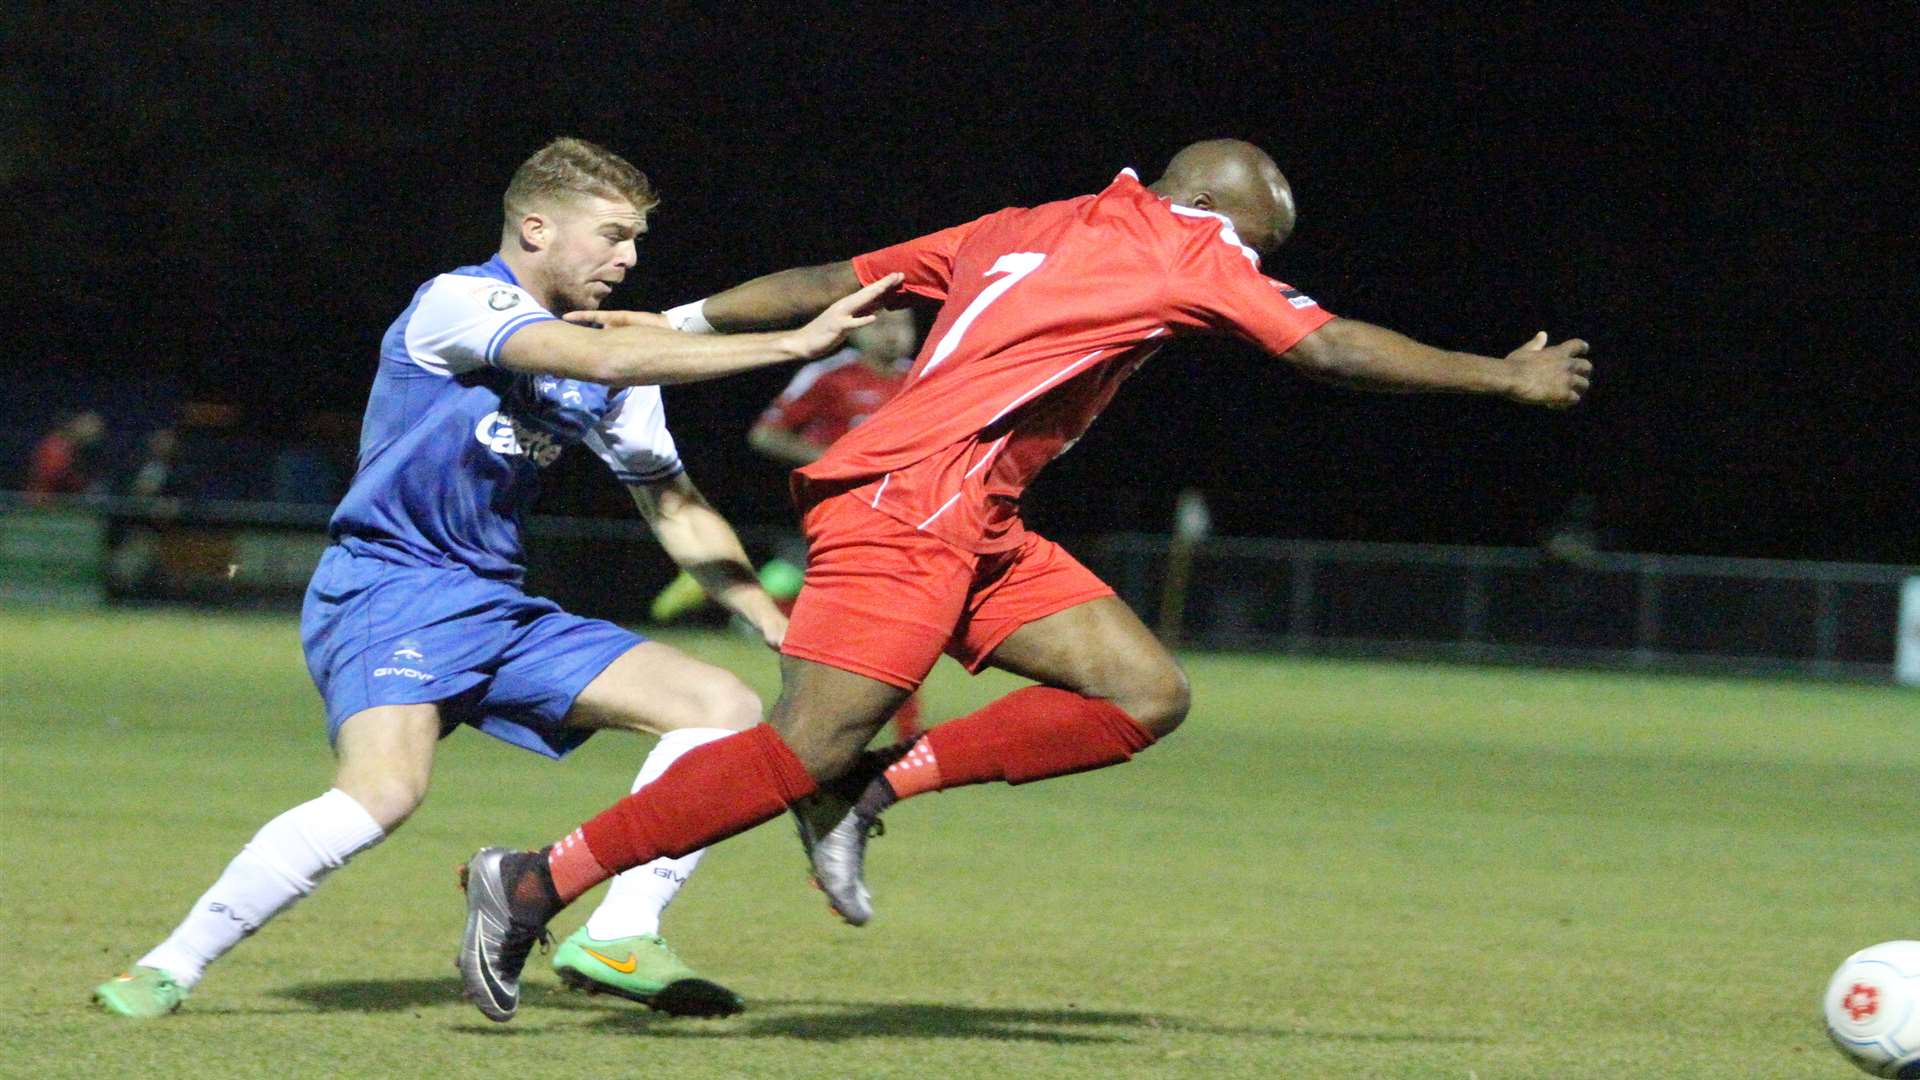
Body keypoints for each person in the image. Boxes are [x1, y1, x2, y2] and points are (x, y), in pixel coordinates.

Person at [453, 138, 1593, 1021]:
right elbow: (1330, 347)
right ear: (1227, 217)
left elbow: (833, 278)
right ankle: (537, 882)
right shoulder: (1194, 249)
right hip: (908, 500)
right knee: (802, 746)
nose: (1254, 269)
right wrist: (1500, 377)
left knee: (1142, 694)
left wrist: (684, 317)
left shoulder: (1027, 225)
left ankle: (874, 793)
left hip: (976, 517)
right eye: (1261, 246)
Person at [93, 136, 897, 1020]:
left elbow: (675, 505)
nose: (628, 260)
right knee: (384, 793)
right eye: (613, 235)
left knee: (721, 707)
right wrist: (794, 341)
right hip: (389, 586)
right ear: (537, 227)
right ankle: (167, 966)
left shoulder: (619, 356)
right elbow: (605, 360)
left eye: (636, 241)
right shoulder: (459, 301)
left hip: (497, 603)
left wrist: (776, 625)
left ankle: (621, 932)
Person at [647, 308, 924, 737]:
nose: (894, 335)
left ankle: (726, 593)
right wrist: (835, 462)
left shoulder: (924, 378)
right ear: (858, 332)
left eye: (902, 325)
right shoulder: (830, 375)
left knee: (875, 620)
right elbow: (766, 433)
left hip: (909, 515)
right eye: (882, 325)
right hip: (839, 512)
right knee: (884, 620)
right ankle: (905, 734)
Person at [24, 410, 106, 503]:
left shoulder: (80, 448)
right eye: (89, 425)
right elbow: (52, 475)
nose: (96, 430)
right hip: (45, 502)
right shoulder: (56, 445)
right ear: (74, 425)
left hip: (67, 502)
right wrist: (82, 485)